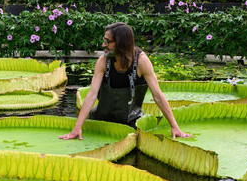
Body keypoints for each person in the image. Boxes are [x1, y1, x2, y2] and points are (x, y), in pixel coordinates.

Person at [61, 22, 191, 140]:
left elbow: (157, 96)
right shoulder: (103, 61)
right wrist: (77, 127)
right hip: (100, 123)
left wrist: (175, 127)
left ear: (121, 43)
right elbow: (92, 95)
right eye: (104, 41)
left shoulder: (141, 62)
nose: (103, 45)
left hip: (131, 125)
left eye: (107, 42)